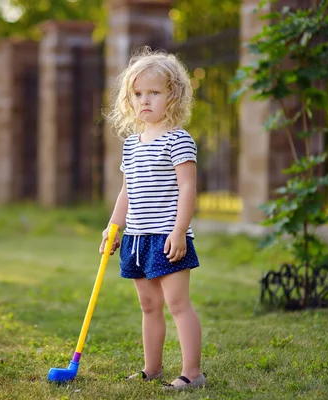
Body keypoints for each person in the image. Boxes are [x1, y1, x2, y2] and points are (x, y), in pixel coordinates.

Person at [99, 47, 206, 390]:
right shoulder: (131, 145)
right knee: (148, 305)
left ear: (172, 96)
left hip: (166, 237)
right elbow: (126, 191)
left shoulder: (178, 141)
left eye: (154, 93)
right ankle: (153, 368)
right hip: (137, 238)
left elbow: (188, 189)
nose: (145, 100)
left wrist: (178, 232)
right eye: (138, 94)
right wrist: (114, 228)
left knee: (177, 303)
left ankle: (193, 372)